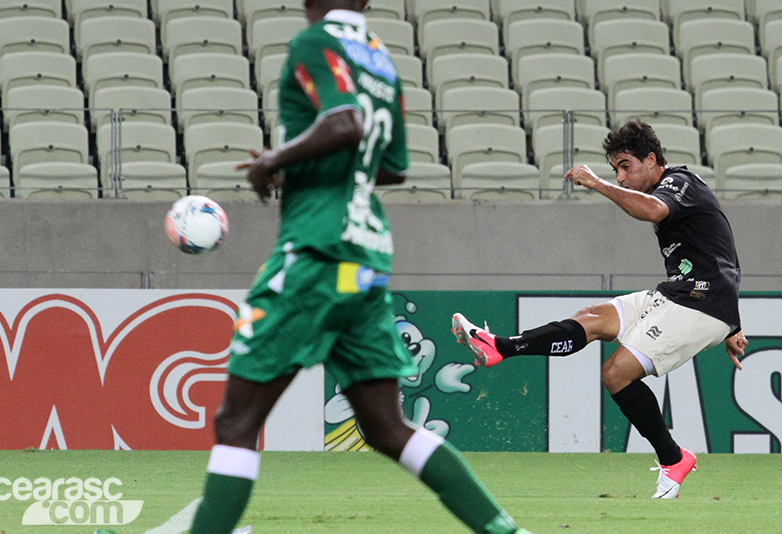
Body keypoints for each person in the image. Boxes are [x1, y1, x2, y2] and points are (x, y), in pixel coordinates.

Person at [189, 2, 533, 533]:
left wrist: (273, 161)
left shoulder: (313, 43)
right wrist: (308, 164)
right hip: (366, 257)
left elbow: (344, 122)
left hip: (316, 254)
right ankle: (503, 529)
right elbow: (392, 166)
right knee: (385, 427)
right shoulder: (378, 57)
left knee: (236, 422)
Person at [452, 120, 749, 499]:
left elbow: (653, 211)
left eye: (626, 166)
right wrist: (733, 324)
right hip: (683, 294)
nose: (621, 177)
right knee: (592, 319)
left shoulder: (679, 183)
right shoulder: (680, 192)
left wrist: (596, 182)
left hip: (702, 302)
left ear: (652, 160)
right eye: (615, 170)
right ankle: (499, 347)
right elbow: (723, 247)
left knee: (616, 374)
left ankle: (673, 459)